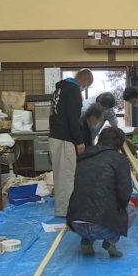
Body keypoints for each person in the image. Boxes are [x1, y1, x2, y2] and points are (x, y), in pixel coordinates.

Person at [67, 127, 136, 258]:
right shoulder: (120, 160)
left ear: (99, 140)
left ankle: (86, 241)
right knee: (131, 210)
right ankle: (110, 241)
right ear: (120, 145)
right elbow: (124, 195)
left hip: (75, 223)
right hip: (101, 225)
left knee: (89, 204)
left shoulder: (83, 156)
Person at [49, 68, 94, 217]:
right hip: (65, 138)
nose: (85, 88)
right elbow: (73, 119)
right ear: (85, 81)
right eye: (87, 85)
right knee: (67, 176)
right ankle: (65, 211)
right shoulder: (73, 90)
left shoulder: (60, 89)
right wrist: (79, 141)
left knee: (60, 174)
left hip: (55, 136)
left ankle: (63, 208)